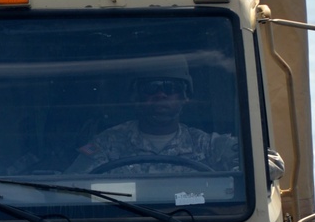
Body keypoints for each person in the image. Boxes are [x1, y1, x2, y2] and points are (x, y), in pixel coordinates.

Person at [67, 63, 239, 176]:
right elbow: (73, 189)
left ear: (185, 96)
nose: (161, 94)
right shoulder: (107, 144)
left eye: (170, 88)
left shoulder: (209, 147)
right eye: (151, 88)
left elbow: (256, 167)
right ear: (136, 96)